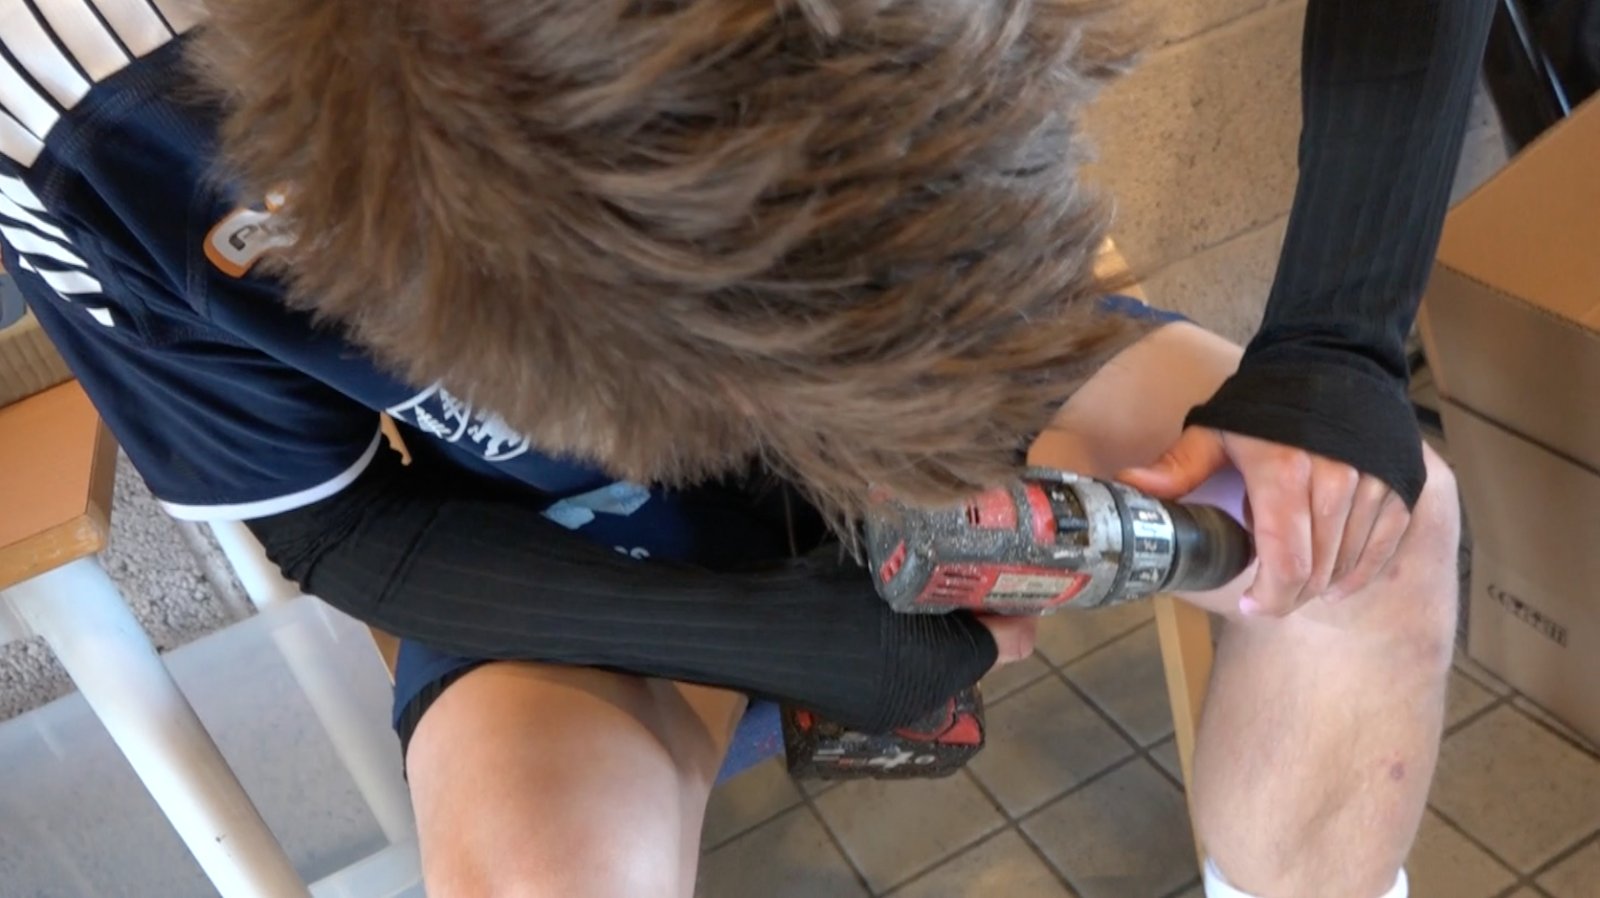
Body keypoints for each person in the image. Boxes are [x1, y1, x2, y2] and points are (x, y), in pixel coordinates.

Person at [0, 1, 1487, 895]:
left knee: (1368, 531)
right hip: (551, 501)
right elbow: (334, 526)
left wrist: (1342, 327)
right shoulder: (66, 93)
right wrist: (751, 627)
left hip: (937, 331)